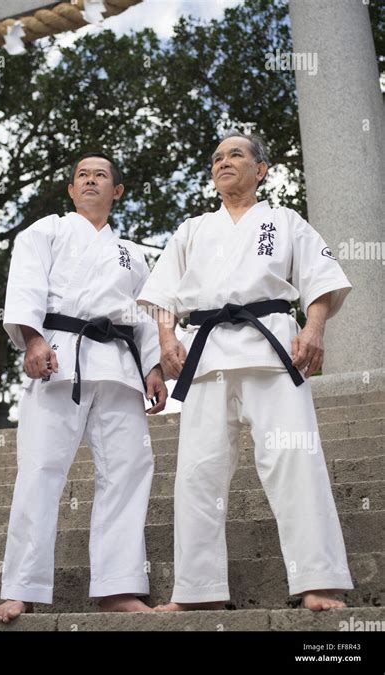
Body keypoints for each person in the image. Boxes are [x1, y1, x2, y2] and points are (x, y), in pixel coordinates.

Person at [137, 131, 354, 612]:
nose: (223, 162)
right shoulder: (193, 229)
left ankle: (318, 582)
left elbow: (320, 279)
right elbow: (164, 294)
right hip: (207, 353)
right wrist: (167, 338)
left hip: (273, 348)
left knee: (294, 462)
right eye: (216, 157)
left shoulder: (285, 221)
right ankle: (197, 592)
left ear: (261, 170)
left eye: (235, 154)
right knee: (197, 473)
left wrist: (314, 329)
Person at [0, 152, 167, 623]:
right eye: (81, 176)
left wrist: (152, 366)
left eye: (101, 176)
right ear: (71, 190)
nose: (90, 181)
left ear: (118, 191)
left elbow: (145, 313)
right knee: (41, 468)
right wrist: (31, 339)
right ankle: (22, 587)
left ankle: (117, 586)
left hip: (118, 367)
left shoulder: (132, 252)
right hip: (59, 358)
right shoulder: (44, 231)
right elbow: (25, 286)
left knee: (129, 470)